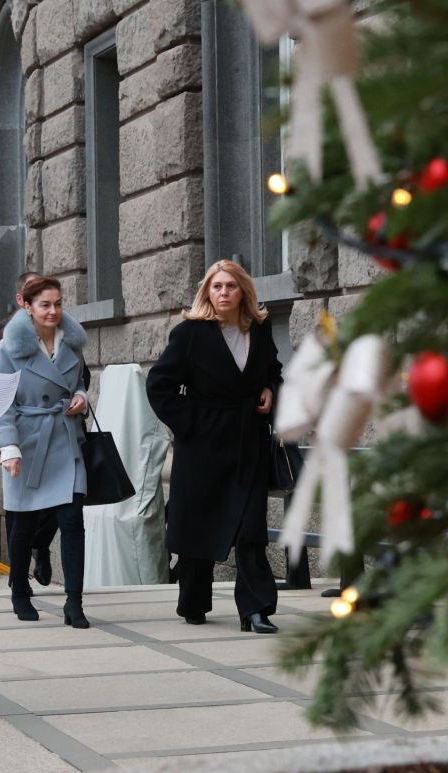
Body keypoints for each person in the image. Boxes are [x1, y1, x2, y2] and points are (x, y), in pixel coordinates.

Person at [146, 260, 284, 634]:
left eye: (230, 287)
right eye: (216, 286)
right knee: (198, 527)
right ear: (207, 291)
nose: (223, 293)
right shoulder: (190, 333)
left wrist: (271, 389)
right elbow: (159, 385)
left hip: (247, 441)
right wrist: (191, 423)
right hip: (202, 445)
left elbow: (273, 368)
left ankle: (256, 610)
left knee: (250, 528)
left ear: (243, 291)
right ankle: (193, 600)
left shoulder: (259, 326)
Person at [0, 276, 92, 628]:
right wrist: (9, 447)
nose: (53, 311)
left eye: (58, 303)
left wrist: (81, 397)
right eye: (45, 305)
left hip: (65, 437)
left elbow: (77, 382)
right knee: (24, 523)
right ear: (27, 306)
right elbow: (1, 402)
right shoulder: (10, 347)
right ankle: (19, 588)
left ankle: (74, 602)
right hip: (26, 441)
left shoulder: (73, 342)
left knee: (72, 521)